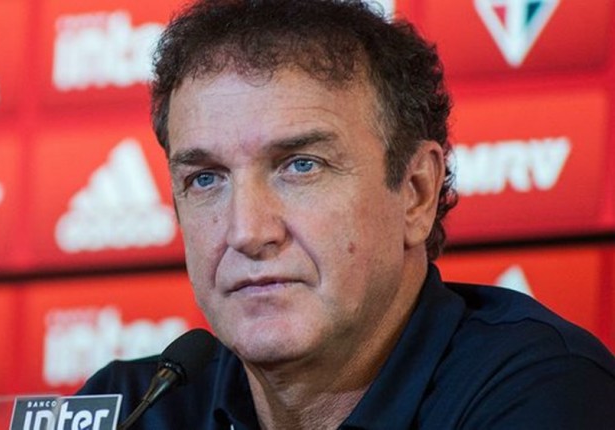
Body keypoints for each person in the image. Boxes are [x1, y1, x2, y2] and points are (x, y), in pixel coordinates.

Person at [77, 0, 615, 428]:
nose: (247, 232)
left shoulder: (542, 391)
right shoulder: (133, 409)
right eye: (206, 178)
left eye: (301, 166)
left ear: (416, 193)